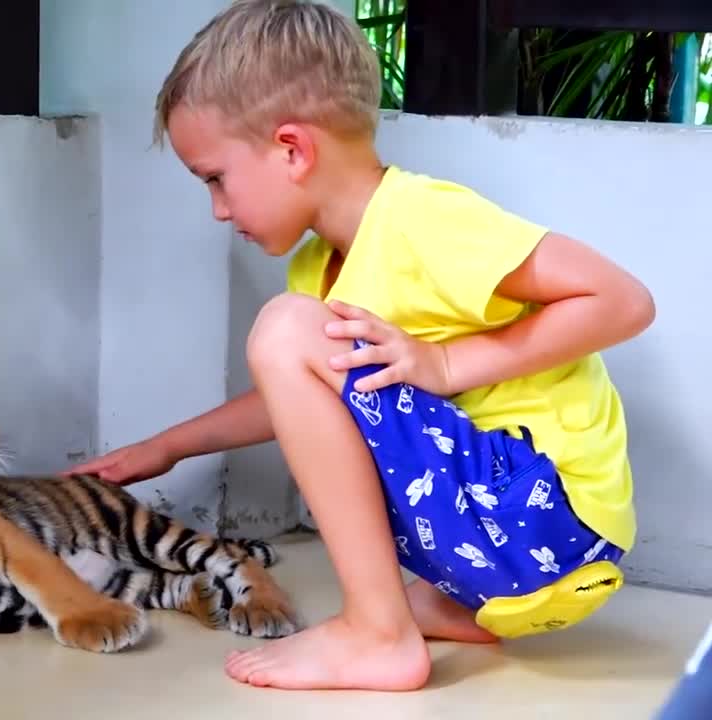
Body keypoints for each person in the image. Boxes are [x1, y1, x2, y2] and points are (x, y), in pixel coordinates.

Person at [64, 0, 655, 692]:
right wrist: (166, 448)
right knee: (295, 337)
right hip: (517, 564)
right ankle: (457, 610)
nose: (219, 210)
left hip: (549, 522)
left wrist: (446, 363)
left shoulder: (422, 220)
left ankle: (379, 635)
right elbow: (306, 397)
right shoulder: (321, 266)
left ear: (291, 148)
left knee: (287, 329)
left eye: (216, 179)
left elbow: (622, 301)